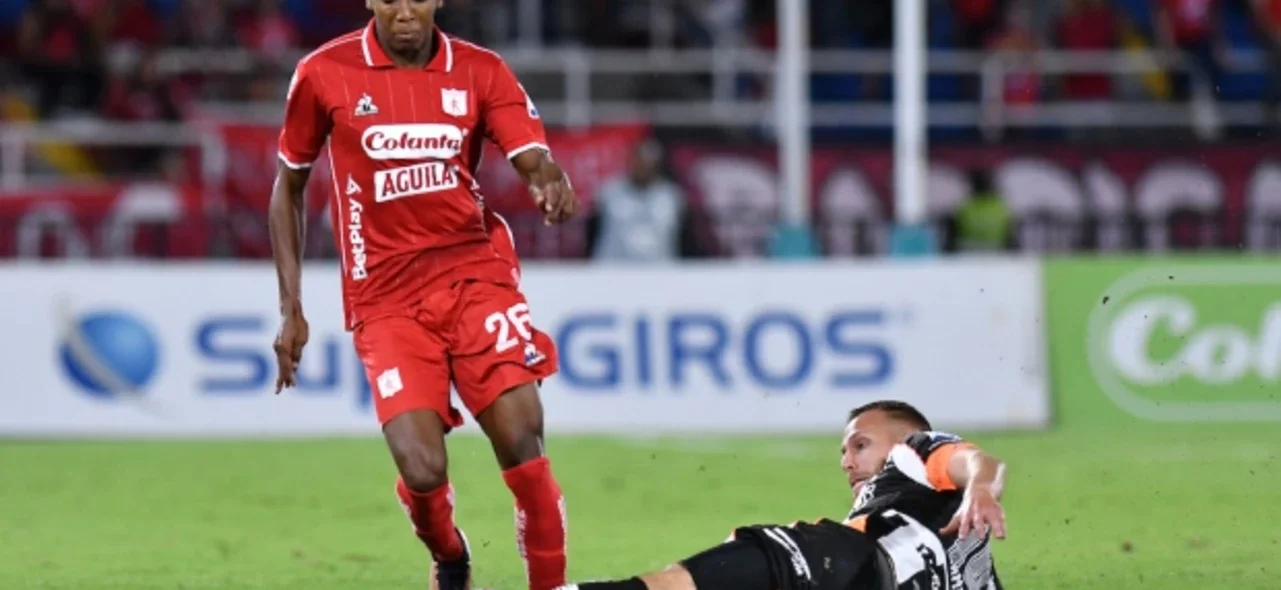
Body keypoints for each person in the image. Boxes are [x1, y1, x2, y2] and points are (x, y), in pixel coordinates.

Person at [267, 1, 578, 589]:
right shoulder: (324, 72)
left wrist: (548, 181)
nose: (404, 11)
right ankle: (451, 554)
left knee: (523, 441)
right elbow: (289, 186)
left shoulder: (481, 70)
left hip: (474, 274)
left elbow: (532, 156)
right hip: (384, 297)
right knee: (422, 467)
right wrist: (292, 306)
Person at [558, 400, 1008, 590]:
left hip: (847, 562)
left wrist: (981, 489)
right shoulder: (973, 567)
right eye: (843, 451)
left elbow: (974, 460)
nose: (847, 461)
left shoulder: (915, 452)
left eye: (860, 445)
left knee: (679, 585)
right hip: (851, 571)